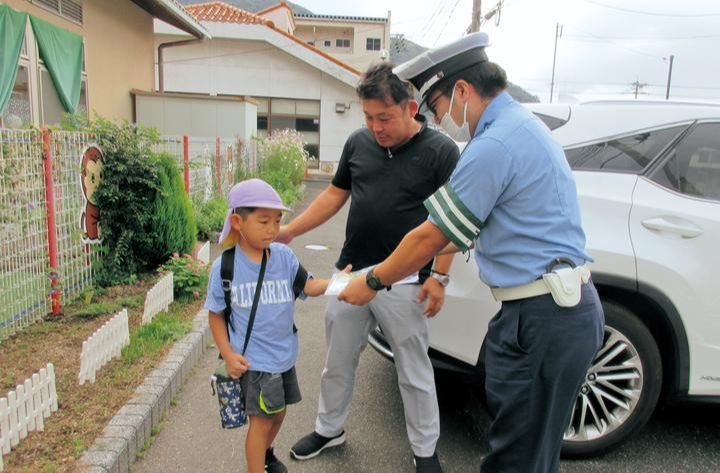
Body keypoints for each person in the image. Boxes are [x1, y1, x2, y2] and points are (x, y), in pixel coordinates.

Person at [338, 33, 605, 473]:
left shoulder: (494, 145)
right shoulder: (522, 125)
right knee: (532, 453)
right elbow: (459, 231)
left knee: (517, 460)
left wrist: (370, 281)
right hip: (548, 312)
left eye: (439, 108)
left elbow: (430, 237)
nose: (441, 120)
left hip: (542, 318)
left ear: (462, 91)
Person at [277, 62, 459, 473]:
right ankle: (329, 428)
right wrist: (290, 231)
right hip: (351, 273)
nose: (376, 127)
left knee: (414, 370)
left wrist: (440, 278)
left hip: (407, 280)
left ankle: (425, 450)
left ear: (410, 108)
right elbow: (334, 196)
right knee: (337, 361)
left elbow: (451, 222)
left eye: (385, 117)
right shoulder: (358, 143)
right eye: (369, 117)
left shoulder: (440, 151)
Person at [204, 178, 342, 473]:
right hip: (254, 363)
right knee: (262, 421)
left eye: (278, 221)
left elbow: (310, 285)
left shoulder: (284, 257)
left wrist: (340, 283)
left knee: (278, 413)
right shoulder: (226, 267)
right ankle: (257, 466)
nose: (273, 229)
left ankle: (265, 454)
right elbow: (215, 314)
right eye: (264, 221)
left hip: (283, 357)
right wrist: (227, 355)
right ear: (237, 222)